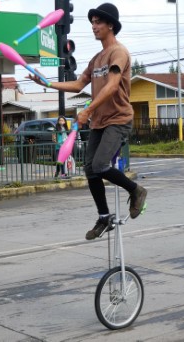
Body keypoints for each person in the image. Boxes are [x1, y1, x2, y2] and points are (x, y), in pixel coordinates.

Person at [28, 3, 147, 240]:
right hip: (100, 122)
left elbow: (113, 86)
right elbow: (78, 84)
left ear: (110, 25)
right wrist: (47, 84)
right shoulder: (96, 58)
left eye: (98, 22)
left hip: (118, 119)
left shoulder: (118, 52)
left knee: (102, 165)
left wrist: (86, 111)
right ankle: (104, 217)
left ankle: (137, 190)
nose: (93, 26)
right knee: (90, 169)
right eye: (92, 22)